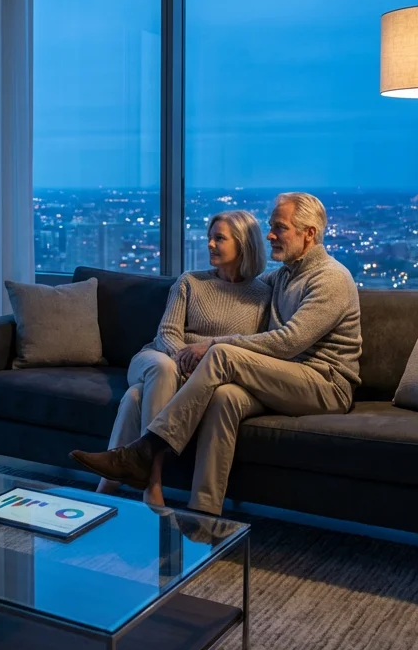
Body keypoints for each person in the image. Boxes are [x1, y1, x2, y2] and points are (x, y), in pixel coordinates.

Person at [71, 192, 362, 514]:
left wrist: (209, 344)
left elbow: (289, 342)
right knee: (225, 397)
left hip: (324, 384)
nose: (270, 235)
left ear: (309, 233)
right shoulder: (282, 276)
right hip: (284, 377)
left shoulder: (331, 278)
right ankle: (204, 514)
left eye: (279, 228)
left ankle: (144, 451)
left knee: (222, 354)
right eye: (269, 227)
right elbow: (240, 287)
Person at [95, 210, 270, 498]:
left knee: (135, 398)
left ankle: (106, 486)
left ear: (243, 243)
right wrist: (186, 363)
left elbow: (251, 347)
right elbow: (167, 335)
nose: (210, 245)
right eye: (209, 238)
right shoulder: (190, 282)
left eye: (219, 239)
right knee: (163, 368)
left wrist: (202, 367)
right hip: (156, 358)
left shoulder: (263, 296)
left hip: (203, 374)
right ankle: (153, 483)